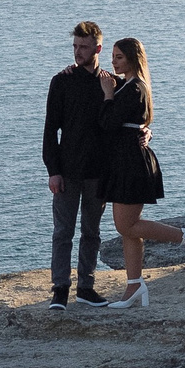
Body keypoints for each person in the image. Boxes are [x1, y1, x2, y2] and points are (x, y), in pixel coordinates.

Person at [95, 37, 185, 308]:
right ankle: (134, 286)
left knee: (126, 225)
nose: (113, 62)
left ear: (133, 59)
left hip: (131, 163)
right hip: (124, 161)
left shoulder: (134, 88)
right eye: (112, 56)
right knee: (128, 229)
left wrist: (108, 94)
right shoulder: (127, 84)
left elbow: (108, 124)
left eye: (119, 57)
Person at [42, 20, 112, 309]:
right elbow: (50, 130)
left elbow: (123, 124)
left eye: (83, 47)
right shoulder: (62, 82)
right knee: (63, 233)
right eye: (74, 46)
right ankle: (60, 289)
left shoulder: (110, 84)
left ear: (97, 48)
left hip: (99, 172)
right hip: (67, 172)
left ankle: (86, 287)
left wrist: (146, 131)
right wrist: (53, 171)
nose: (77, 52)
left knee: (92, 232)